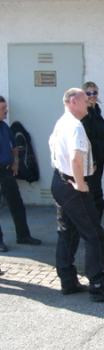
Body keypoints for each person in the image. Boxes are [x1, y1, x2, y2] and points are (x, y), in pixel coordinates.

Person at [49, 88, 104, 302]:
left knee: (67, 232)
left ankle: (68, 281)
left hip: (60, 181)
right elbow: (74, 158)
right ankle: (98, 286)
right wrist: (81, 184)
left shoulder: (62, 122)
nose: (89, 104)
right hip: (72, 185)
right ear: (73, 101)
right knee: (94, 235)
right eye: (85, 101)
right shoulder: (74, 126)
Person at [0, 95, 41, 252]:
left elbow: (15, 145)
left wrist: (15, 161)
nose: (6, 111)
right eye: (3, 108)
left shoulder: (4, 126)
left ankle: (23, 236)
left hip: (6, 172)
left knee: (17, 204)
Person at [81, 82, 104, 248]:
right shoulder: (86, 113)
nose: (92, 95)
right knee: (95, 198)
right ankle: (93, 233)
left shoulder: (95, 111)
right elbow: (85, 138)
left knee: (95, 197)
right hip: (91, 161)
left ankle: (92, 231)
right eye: (88, 92)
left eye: (94, 92)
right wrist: (91, 161)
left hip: (98, 159)